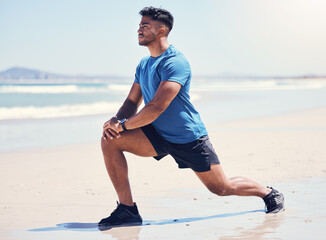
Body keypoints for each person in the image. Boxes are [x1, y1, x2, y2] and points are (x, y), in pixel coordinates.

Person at [98, 6, 284, 227]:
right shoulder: (144, 64)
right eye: (139, 26)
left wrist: (125, 125)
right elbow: (131, 101)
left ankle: (268, 193)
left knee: (221, 188)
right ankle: (128, 210)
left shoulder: (175, 62)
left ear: (161, 31)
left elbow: (157, 106)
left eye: (145, 26)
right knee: (110, 140)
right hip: (156, 133)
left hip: (188, 137)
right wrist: (116, 121)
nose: (139, 30)